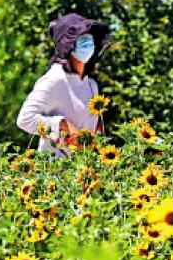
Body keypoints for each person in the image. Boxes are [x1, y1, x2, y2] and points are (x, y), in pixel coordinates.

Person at [17, 13, 110, 158]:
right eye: (81, 38)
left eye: (90, 36)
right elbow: (24, 119)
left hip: (84, 172)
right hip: (54, 172)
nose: (88, 42)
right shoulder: (55, 79)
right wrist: (61, 124)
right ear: (67, 45)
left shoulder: (91, 84)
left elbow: (92, 130)